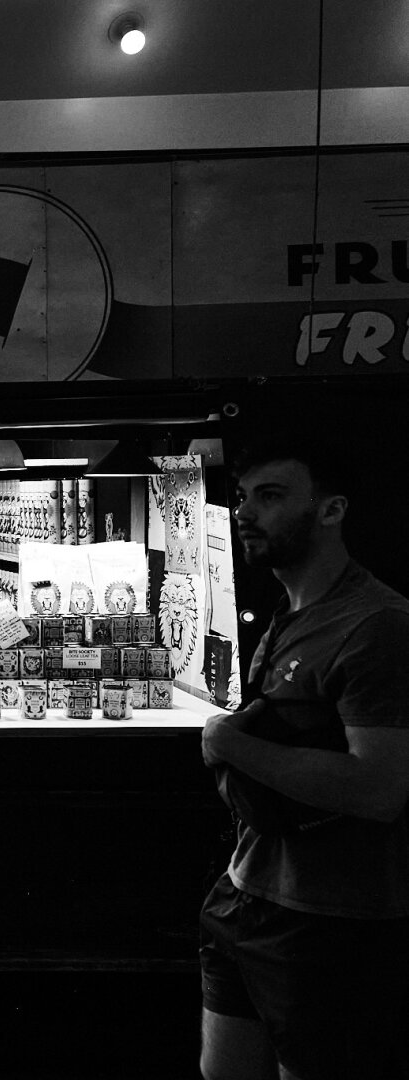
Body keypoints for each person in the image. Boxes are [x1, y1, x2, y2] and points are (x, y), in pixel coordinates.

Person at [198, 438, 409, 1080]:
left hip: (328, 921)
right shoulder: (290, 615)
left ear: (331, 510)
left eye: (271, 495)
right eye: (242, 497)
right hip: (247, 892)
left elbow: (380, 788)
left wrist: (231, 744)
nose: (245, 513)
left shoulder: (378, 625)